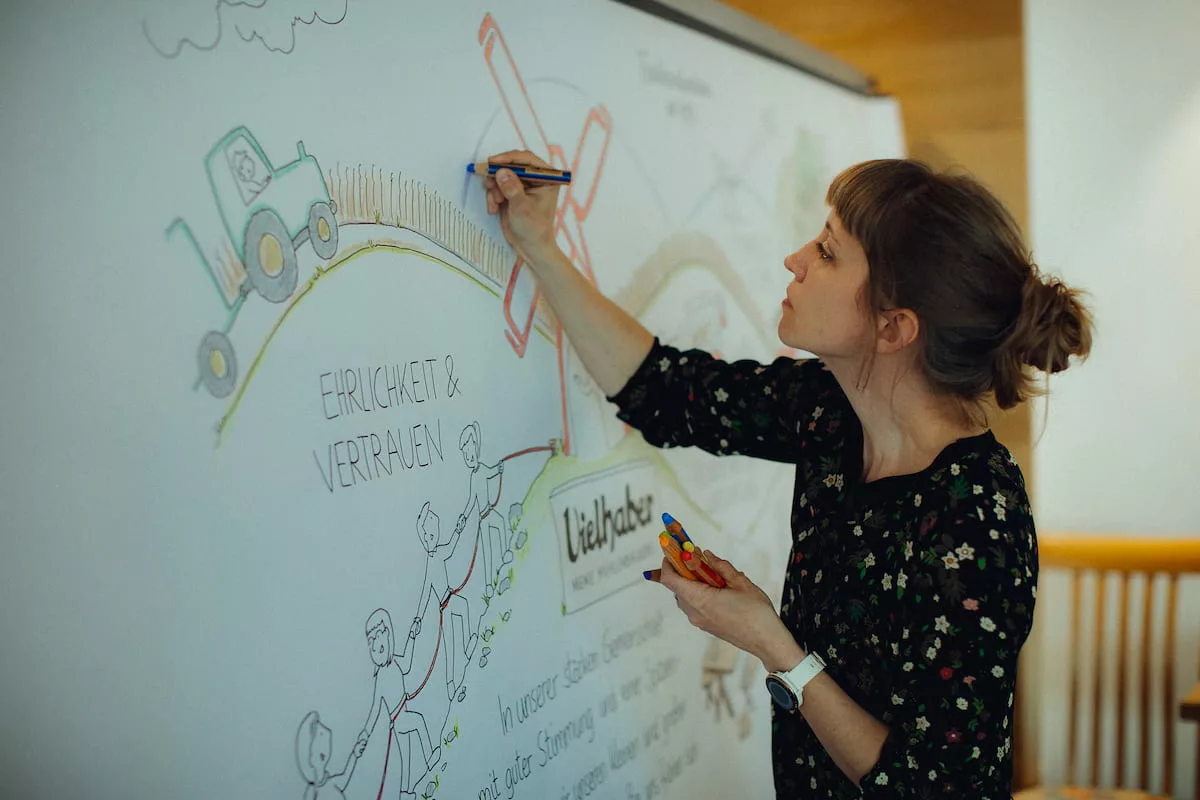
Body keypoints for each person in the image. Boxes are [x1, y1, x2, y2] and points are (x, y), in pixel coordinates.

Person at [475, 152, 1092, 798]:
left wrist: (774, 645)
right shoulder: (832, 410)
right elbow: (666, 392)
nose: (794, 259)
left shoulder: (976, 518)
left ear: (894, 327)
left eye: (827, 252)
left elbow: (932, 789)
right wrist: (538, 245)